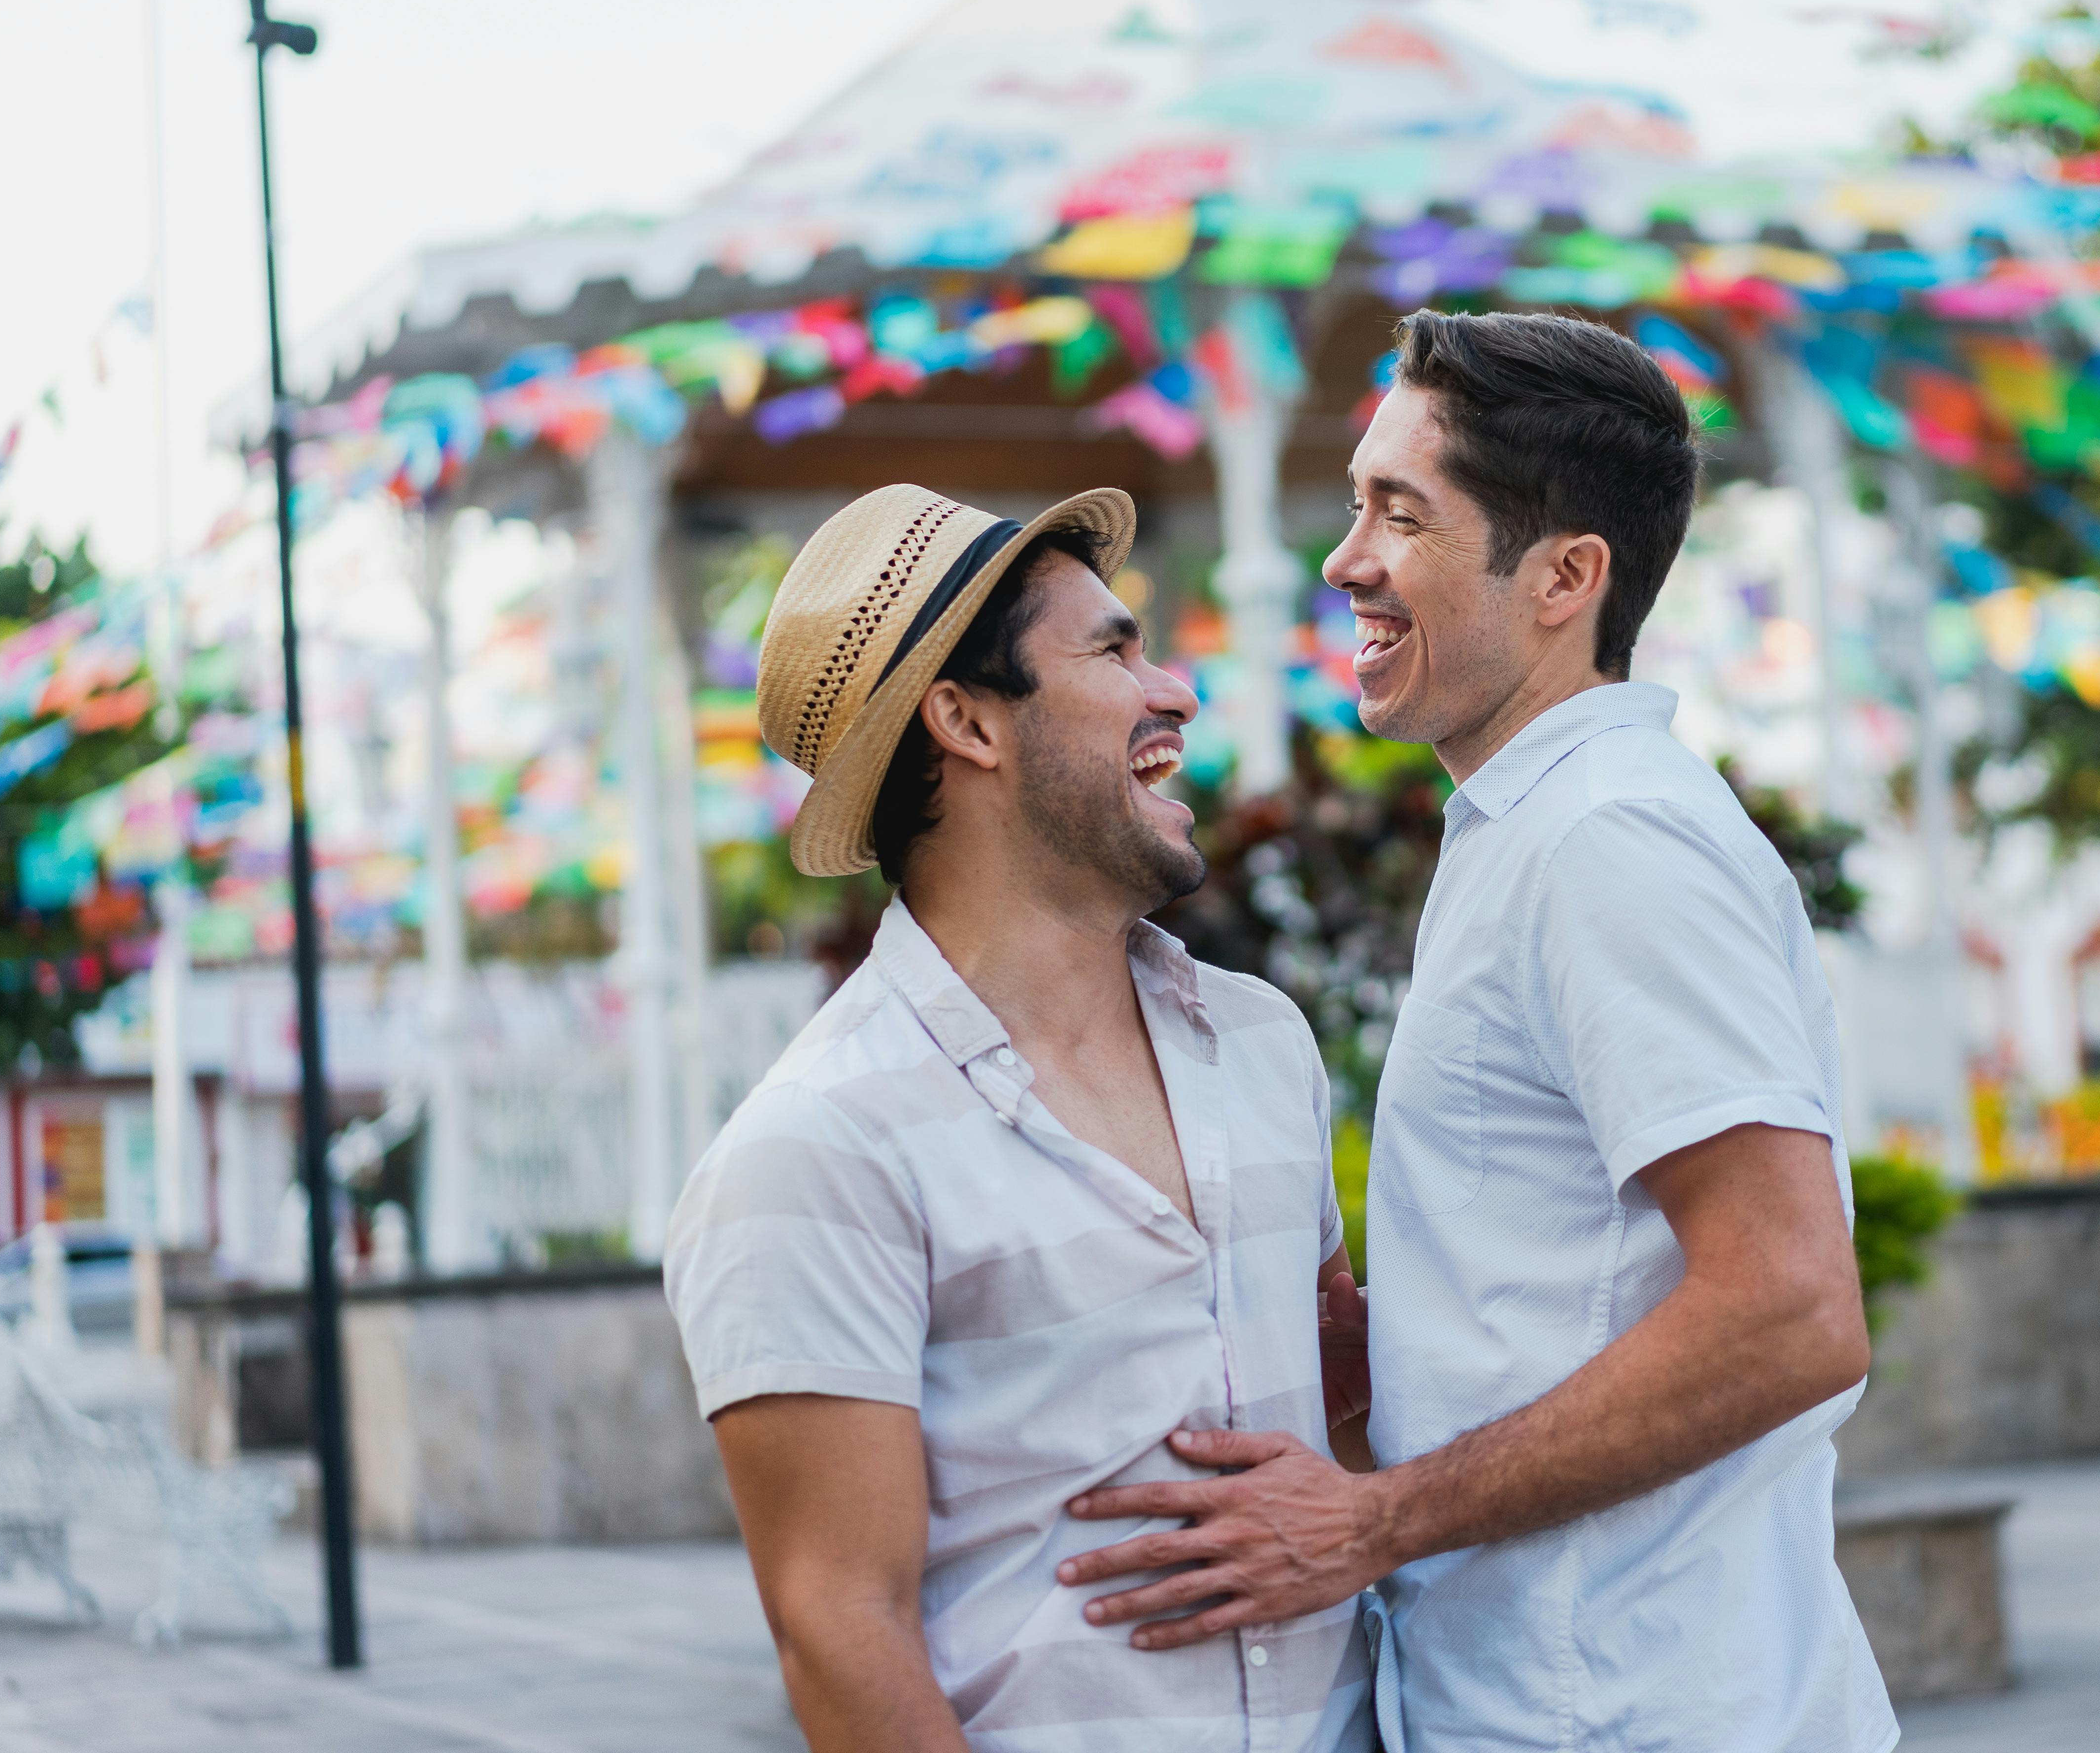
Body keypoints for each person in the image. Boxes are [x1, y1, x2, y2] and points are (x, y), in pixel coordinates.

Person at [1057, 311, 1896, 1751]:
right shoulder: (1532, 823)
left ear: (1567, 577)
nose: (1344, 561)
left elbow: (1791, 1310)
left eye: (1402, 513)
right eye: (1354, 502)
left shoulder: (1610, 837)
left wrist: (1369, 1521)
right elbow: (1593, 1286)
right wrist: (1394, 1350)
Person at [663, 485, 1375, 1753]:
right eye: (1114, 649)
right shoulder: (813, 1148)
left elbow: (1348, 1410)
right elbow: (841, 1627)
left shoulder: (1263, 1042)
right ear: (967, 719)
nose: (1177, 692)